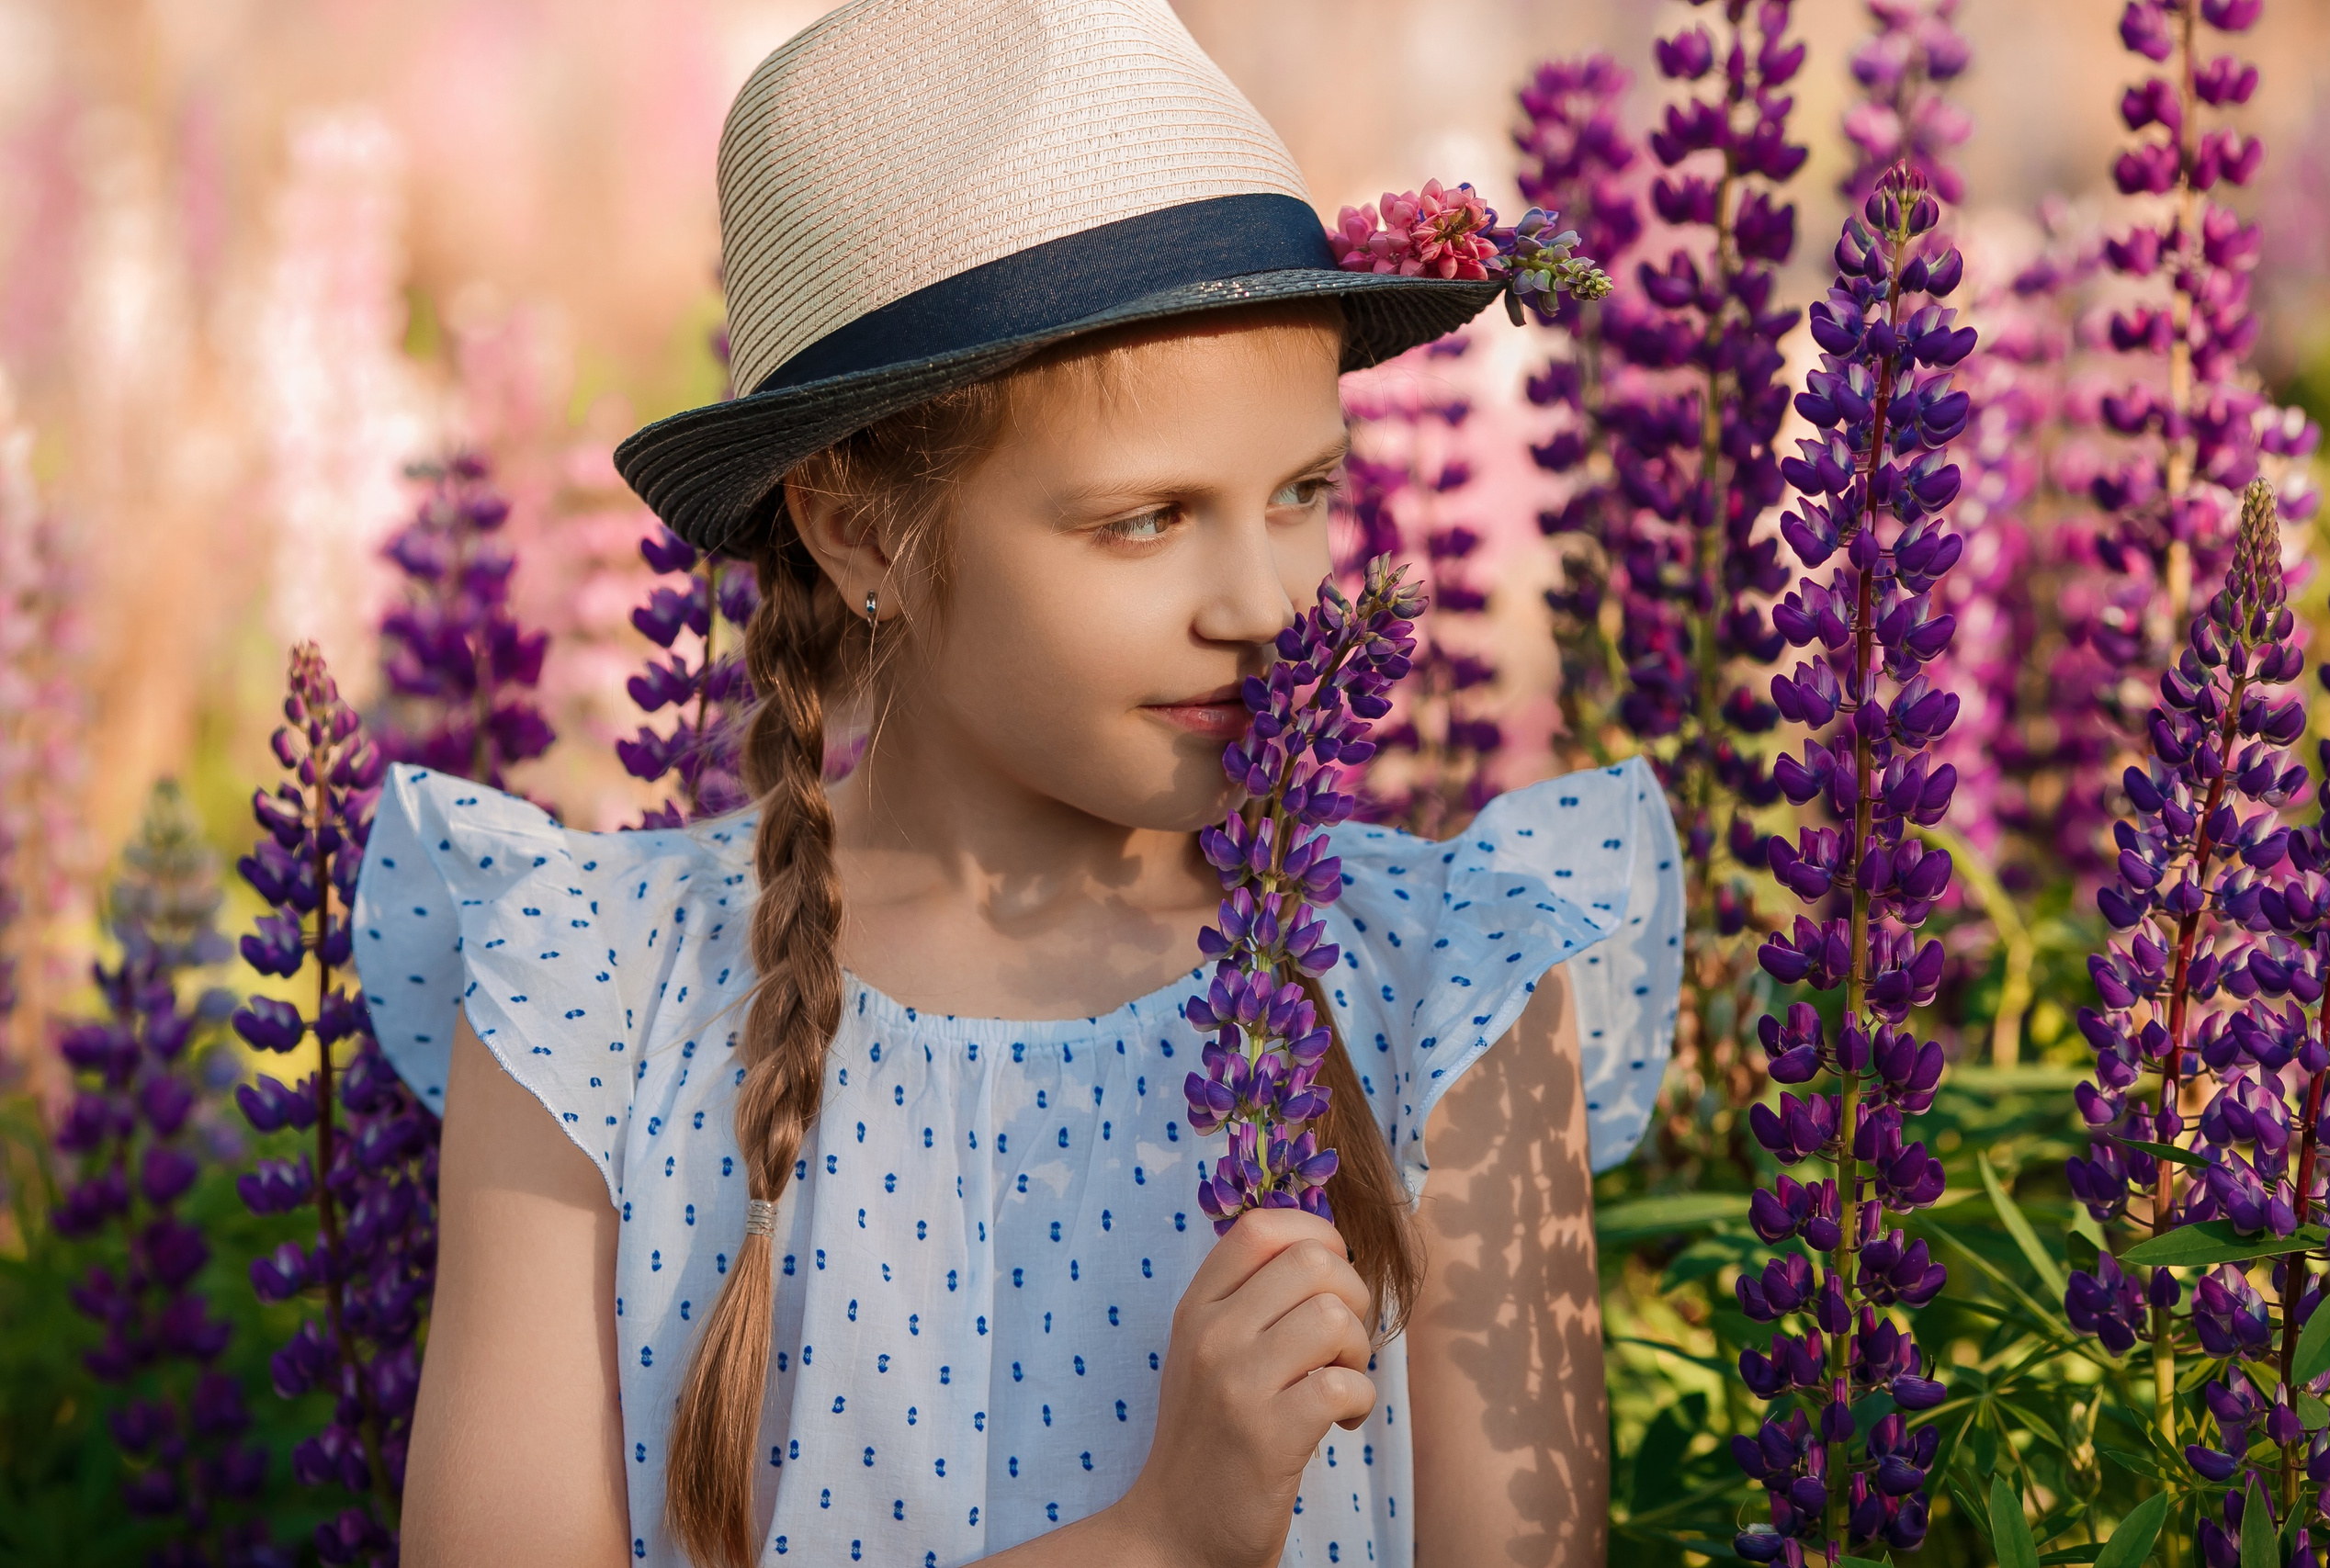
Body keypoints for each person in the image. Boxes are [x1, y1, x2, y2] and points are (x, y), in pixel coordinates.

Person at [351, 2, 1681, 1563]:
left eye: (1304, 492)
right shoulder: (590, 994)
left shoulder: (1447, 989)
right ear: (856, 530)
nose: (1261, 602)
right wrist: (1161, 1540)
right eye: (1145, 518)